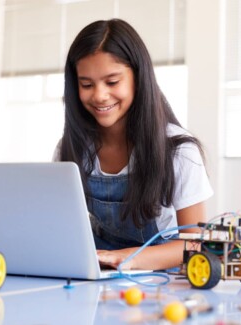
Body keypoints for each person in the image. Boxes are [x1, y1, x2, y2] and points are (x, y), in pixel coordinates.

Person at [53, 18, 213, 271]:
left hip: (161, 280)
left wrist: (127, 258)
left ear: (139, 78)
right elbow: (62, 229)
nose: (99, 95)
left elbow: (196, 245)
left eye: (112, 82)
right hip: (99, 275)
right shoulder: (71, 149)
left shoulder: (178, 150)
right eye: (86, 84)